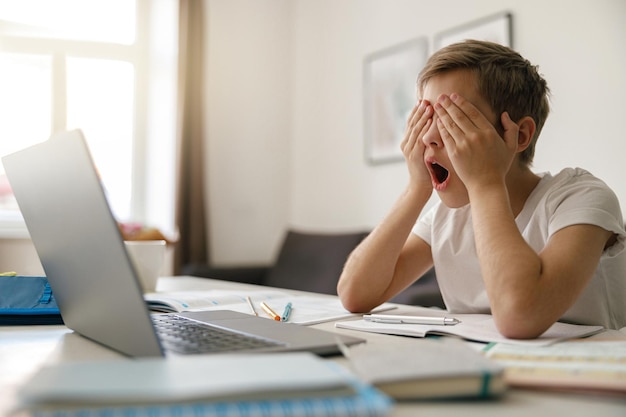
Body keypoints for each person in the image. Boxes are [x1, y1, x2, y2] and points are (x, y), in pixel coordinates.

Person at [337, 40, 625, 339]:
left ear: (520, 135)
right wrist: (416, 188)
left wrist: (487, 183)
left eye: (454, 121)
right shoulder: (447, 217)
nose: (429, 137)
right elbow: (355, 294)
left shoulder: (581, 198)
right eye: (427, 119)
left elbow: (520, 316)